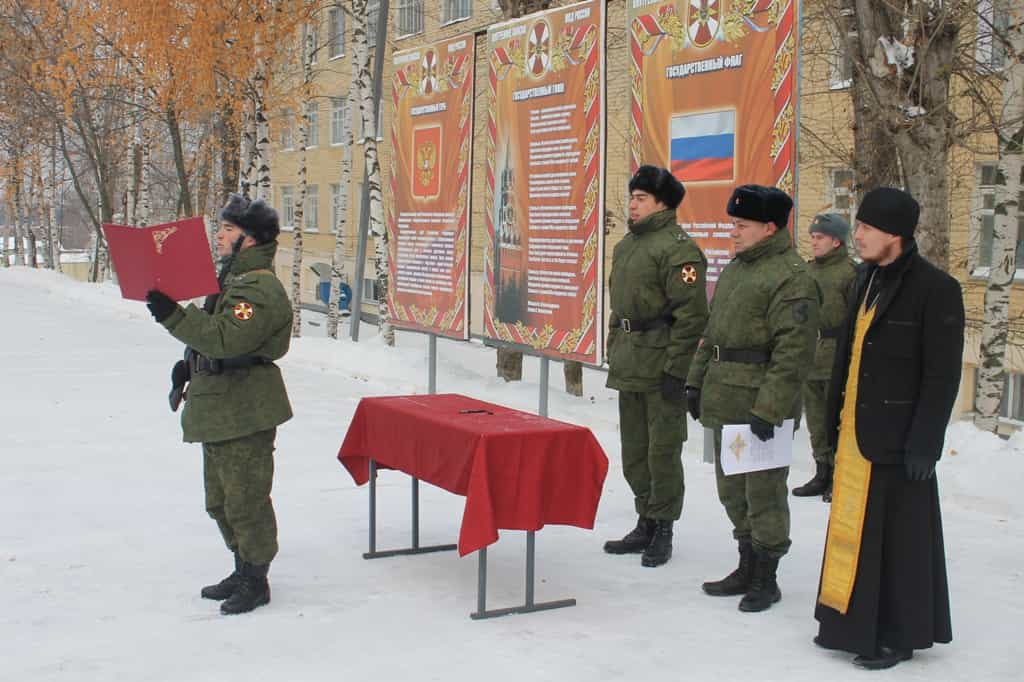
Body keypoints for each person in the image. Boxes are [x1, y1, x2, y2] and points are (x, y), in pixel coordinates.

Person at [814, 187, 963, 669]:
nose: (855, 235)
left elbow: (942, 375)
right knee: (853, 533)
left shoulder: (936, 288)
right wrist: (831, 435)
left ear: (894, 235)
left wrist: (926, 443)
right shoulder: (865, 280)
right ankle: (846, 624)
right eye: (857, 227)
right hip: (859, 435)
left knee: (899, 543)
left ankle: (899, 635)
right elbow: (848, 358)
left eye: (865, 229)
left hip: (900, 441)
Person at [144, 194, 293, 615]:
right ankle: (242, 566)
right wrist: (188, 364)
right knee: (221, 501)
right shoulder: (232, 280)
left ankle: (256, 579)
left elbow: (227, 339)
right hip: (221, 406)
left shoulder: (259, 287)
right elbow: (211, 334)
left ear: (249, 239)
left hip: (245, 409)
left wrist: (173, 316)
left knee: (246, 499)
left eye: (228, 230)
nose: (220, 236)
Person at [685, 184, 818, 612]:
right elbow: (713, 333)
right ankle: (746, 563)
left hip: (759, 405)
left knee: (763, 493)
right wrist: (695, 381)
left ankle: (766, 575)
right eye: (732, 225)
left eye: (741, 226)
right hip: (724, 400)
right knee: (732, 491)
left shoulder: (791, 277)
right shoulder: (738, 269)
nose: (733, 233)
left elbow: (793, 351)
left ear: (769, 227)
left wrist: (770, 409)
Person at [602, 165, 709, 567]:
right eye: (632, 196)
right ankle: (644, 518)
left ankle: (663, 526)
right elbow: (619, 306)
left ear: (662, 203)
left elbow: (692, 316)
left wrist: (676, 370)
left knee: (662, 450)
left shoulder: (678, 249)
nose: (632, 203)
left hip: (661, 363)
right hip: (631, 361)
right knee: (634, 450)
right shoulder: (628, 246)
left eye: (641, 197)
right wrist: (615, 342)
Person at [793, 214, 856, 501]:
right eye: (813, 236)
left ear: (836, 241)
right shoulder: (806, 272)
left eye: (820, 237)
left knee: (836, 422)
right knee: (816, 421)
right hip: (810, 357)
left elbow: (855, 321)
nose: (814, 242)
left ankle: (839, 477)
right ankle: (822, 472)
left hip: (836, 358)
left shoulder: (850, 274)